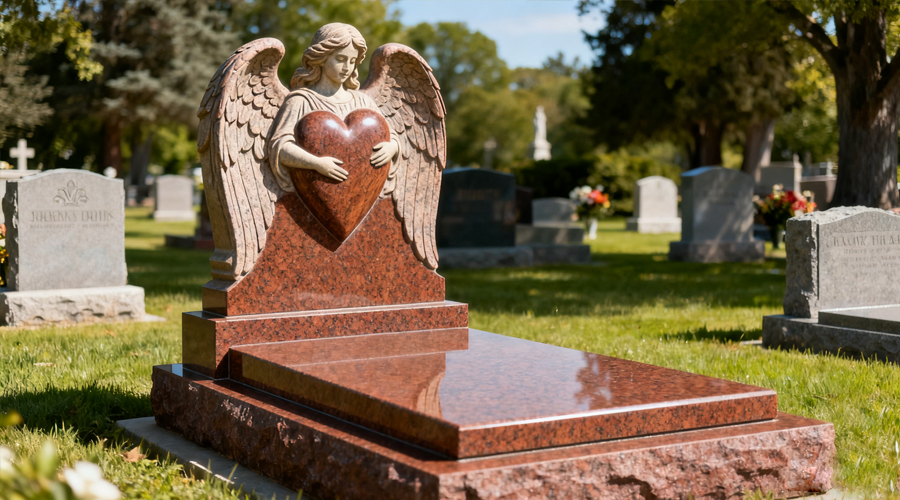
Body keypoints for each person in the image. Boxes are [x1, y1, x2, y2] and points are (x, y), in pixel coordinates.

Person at [268, 23, 401, 191]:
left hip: (361, 189)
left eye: (352, 61)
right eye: (340, 59)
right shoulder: (301, 101)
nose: (347, 67)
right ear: (321, 58)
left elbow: (392, 135)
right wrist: (316, 163)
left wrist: (391, 147)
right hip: (315, 190)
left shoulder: (363, 102)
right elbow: (280, 147)